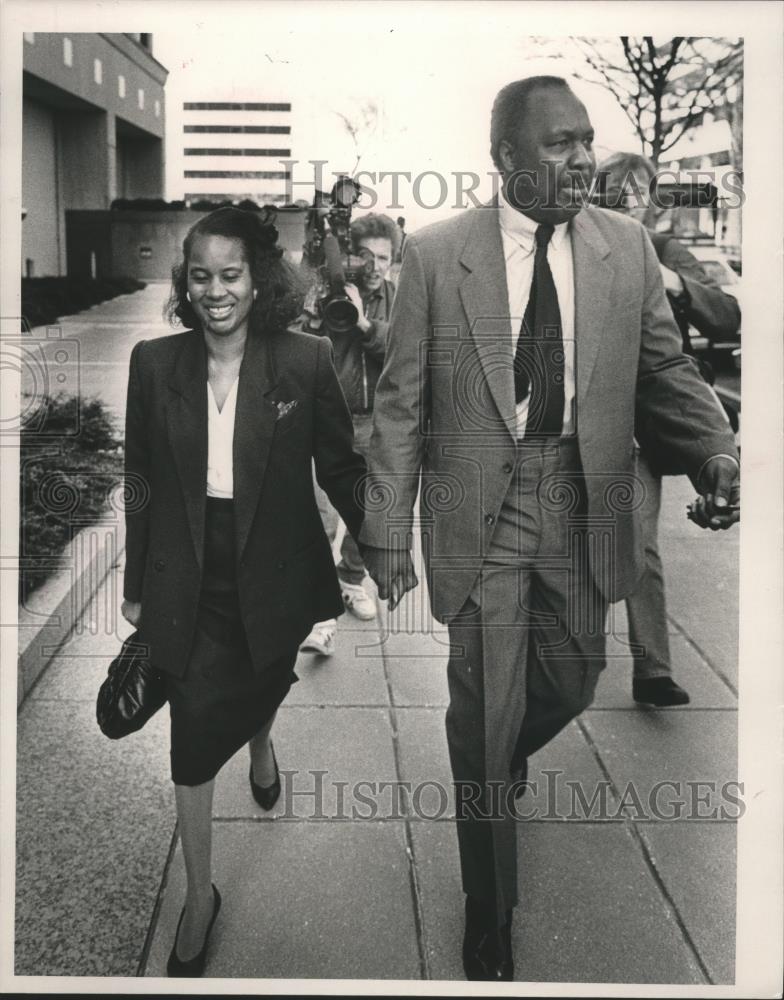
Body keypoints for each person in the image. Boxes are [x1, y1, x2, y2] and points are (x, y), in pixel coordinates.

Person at [359, 76, 740, 981]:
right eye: (562, 144)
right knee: (487, 697)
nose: (582, 161)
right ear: (507, 159)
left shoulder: (626, 250)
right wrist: (381, 527)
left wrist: (717, 451)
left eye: (587, 141)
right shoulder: (437, 254)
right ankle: (490, 911)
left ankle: (491, 761)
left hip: (583, 495)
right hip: (478, 505)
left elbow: (665, 371)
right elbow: (401, 400)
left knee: (571, 680)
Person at [121, 207, 366, 977]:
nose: (215, 291)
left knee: (265, 676)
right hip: (188, 570)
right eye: (201, 276)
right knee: (191, 732)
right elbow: (141, 485)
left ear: (258, 281)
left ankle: (261, 737)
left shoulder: (303, 360)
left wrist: (384, 541)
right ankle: (200, 896)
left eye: (231, 275)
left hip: (276, 565)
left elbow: (340, 465)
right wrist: (134, 586)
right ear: (184, 283)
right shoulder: (154, 364)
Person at [597, 151, 741, 707]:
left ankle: (652, 668)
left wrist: (669, 280)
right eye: (615, 192)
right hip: (579, 415)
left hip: (644, 422)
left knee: (639, 544)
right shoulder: (584, 247)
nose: (627, 203)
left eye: (638, 193)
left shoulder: (663, 251)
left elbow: (726, 314)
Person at [299, 212, 399, 655]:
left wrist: (363, 324)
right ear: (350, 258)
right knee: (320, 518)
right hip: (329, 421)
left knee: (371, 516)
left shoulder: (401, 297)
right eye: (366, 256)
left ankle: (351, 578)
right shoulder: (332, 291)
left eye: (384, 257)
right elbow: (299, 349)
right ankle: (318, 615)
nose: (375, 266)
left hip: (379, 421)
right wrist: (319, 314)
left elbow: (409, 347)